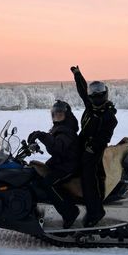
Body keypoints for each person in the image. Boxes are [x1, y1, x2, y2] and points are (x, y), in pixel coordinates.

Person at [70, 65, 118, 227]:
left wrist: (92, 147)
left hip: (94, 150)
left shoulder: (109, 116)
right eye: (94, 93)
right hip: (83, 144)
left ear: (105, 94)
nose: (96, 95)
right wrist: (78, 74)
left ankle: (95, 211)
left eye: (99, 93)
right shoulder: (91, 107)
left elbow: (105, 136)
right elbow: (83, 90)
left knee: (88, 178)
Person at [28, 100, 80, 229]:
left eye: (60, 114)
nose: (57, 117)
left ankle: (70, 212)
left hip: (68, 166)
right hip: (61, 161)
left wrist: (42, 135)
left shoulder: (67, 130)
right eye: (55, 114)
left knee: (48, 183)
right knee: (35, 173)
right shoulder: (61, 127)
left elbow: (58, 147)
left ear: (67, 115)